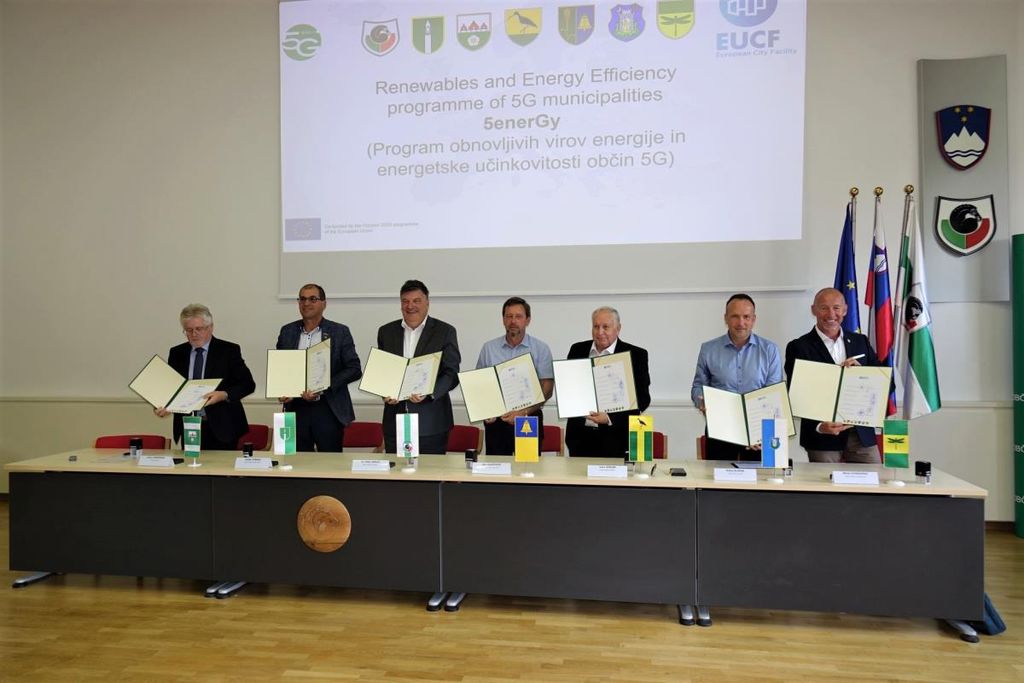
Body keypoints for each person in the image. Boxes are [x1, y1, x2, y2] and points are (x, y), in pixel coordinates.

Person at [784, 287, 881, 463]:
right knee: (824, 481)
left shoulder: (861, 342)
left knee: (874, 479)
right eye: (824, 308)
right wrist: (820, 426)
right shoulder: (798, 347)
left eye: (836, 308)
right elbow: (796, 393)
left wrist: (862, 374)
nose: (831, 314)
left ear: (845, 310)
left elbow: (886, 384)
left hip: (860, 433)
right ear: (813, 310)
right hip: (822, 436)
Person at [691, 293, 782, 461]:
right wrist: (701, 401)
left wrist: (757, 431)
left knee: (761, 477)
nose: (741, 323)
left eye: (746, 317)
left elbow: (773, 394)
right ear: (726, 318)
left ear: (754, 319)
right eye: (735, 316)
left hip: (759, 433)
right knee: (717, 476)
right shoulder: (708, 349)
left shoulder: (770, 350)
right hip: (720, 430)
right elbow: (698, 386)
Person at [377, 280, 461, 454]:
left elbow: (451, 373)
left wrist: (429, 392)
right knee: (397, 470)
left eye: (416, 301)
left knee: (431, 470)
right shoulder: (386, 332)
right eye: (405, 301)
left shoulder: (445, 331)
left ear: (427, 302)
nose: (410, 306)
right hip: (394, 421)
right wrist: (385, 391)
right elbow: (383, 371)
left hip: (432, 423)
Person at [276, 283, 362, 452]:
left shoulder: (339, 331)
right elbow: (281, 368)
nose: (306, 303)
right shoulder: (287, 331)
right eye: (302, 299)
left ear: (324, 303)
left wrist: (322, 386)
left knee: (330, 463)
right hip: (296, 408)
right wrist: (282, 389)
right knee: (296, 462)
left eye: (313, 299)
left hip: (328, 408)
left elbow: (354, 369)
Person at [157, 303, 255, 451]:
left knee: (221, 466)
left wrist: (224, 395)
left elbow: (247, 384)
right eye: (189, 330)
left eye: (199, 329)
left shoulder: (228, 350)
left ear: (210, 327)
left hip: (222, 427)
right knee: (190, 464)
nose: (194, 334)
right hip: (189, 425)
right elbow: (171, 388)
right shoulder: (177, 353)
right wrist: (163, 404)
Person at [564, 307, 651, 457]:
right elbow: (569, 387)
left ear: (618, 328)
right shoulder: (577, 349)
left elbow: (643, 398)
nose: (600, 332)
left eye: (606, 327)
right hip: (580, 439)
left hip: (617, 440)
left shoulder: (636, 355)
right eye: (596, 326)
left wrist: (610, 418)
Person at [475, 296, 555, 455]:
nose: (513, 321)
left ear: (527, 320)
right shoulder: (489, 348)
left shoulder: (540, 349)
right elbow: (480, 385)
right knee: (497, 467)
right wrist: (485, 410)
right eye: (509, 316)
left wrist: (523, 411)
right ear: (503, 320)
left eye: (518, 316)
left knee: (527, 466)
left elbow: (547, 389)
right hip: (497, 421)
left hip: (528, 418)